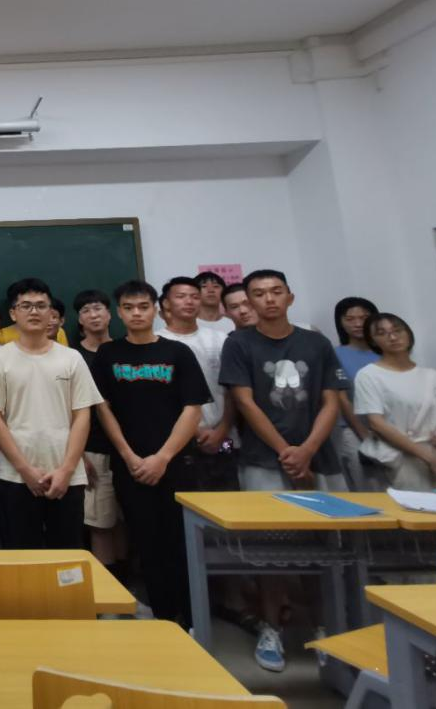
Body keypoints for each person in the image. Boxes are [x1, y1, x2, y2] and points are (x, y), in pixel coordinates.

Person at [220, 269, 349, 672]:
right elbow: (245, 402)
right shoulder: (239, 343)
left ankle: (326, 627)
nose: (269, 299)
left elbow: (331, 402)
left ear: (290, 297)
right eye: (259, 294)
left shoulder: (315, 342)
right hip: (263, 460)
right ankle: (271, 627)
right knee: (269, 551)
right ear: (248, 302)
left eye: (276, 292)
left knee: (328, 548)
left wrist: (306, 450)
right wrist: (285, 452)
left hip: (320, 459)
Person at [95, 280, 209, 627]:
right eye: (129, 308)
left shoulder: (177, 353)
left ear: (156, 309)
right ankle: (163, 615)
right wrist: (129, 456)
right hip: (129, 466)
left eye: (143, 307)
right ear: (119, 312)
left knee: (181, 541)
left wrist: (163, 457)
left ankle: (193, 619)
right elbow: (103, 408)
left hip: (176, 463)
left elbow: (193, 409)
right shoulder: (108, 355)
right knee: (145, 541)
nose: (137, 314)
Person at [0, 278, 101, 550]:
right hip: (16, 475)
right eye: (26, 306)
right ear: (13, 314)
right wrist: (25, 469)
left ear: (51, 313)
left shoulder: (71, 358)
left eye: (41, 306)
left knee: (67, 554)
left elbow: (82, 415)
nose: (34, 311)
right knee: (21, 555)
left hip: (67, 474)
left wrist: (67, 469)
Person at [355, 313, 436, 490]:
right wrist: (429, 458)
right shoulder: (369, 375)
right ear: (373, 341)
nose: (392, 337)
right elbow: (377, 424)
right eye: (382, 333)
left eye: (397, 330)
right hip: (402, 458)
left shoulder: (433, 376)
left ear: (408, 334)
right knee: (414, 504)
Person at [159, 276, 235, 489]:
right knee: (185, 500)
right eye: (181, 296)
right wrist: (194, 431)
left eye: (194, 297)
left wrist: (223, 429)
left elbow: (232, 390)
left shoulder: (221, 339)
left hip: (223, 435)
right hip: (176, 439)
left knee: (228, 499)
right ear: (166, 303)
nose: (189, 301)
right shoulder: (157, 342)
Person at [73, 289, 125, 573]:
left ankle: (129, 581)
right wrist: (78, 454)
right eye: (86, 311)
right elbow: (67, 409)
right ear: (79, 319)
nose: (94, 315)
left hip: (134, 448)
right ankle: (108, 583)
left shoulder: (125, 350)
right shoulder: (73, 356)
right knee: (100, 522)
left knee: (126, 520)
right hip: (93, 447)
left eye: (98, 309)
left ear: (110, 313)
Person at [332, 297, 380, 489]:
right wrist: (364, 435)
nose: (358, 324)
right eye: (350, 319)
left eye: (364, 317)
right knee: (370, 487)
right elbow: (342, 399)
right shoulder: (335, 354)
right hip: (353, 429)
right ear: (340, 323)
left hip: (391, 429)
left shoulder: (386, 354)